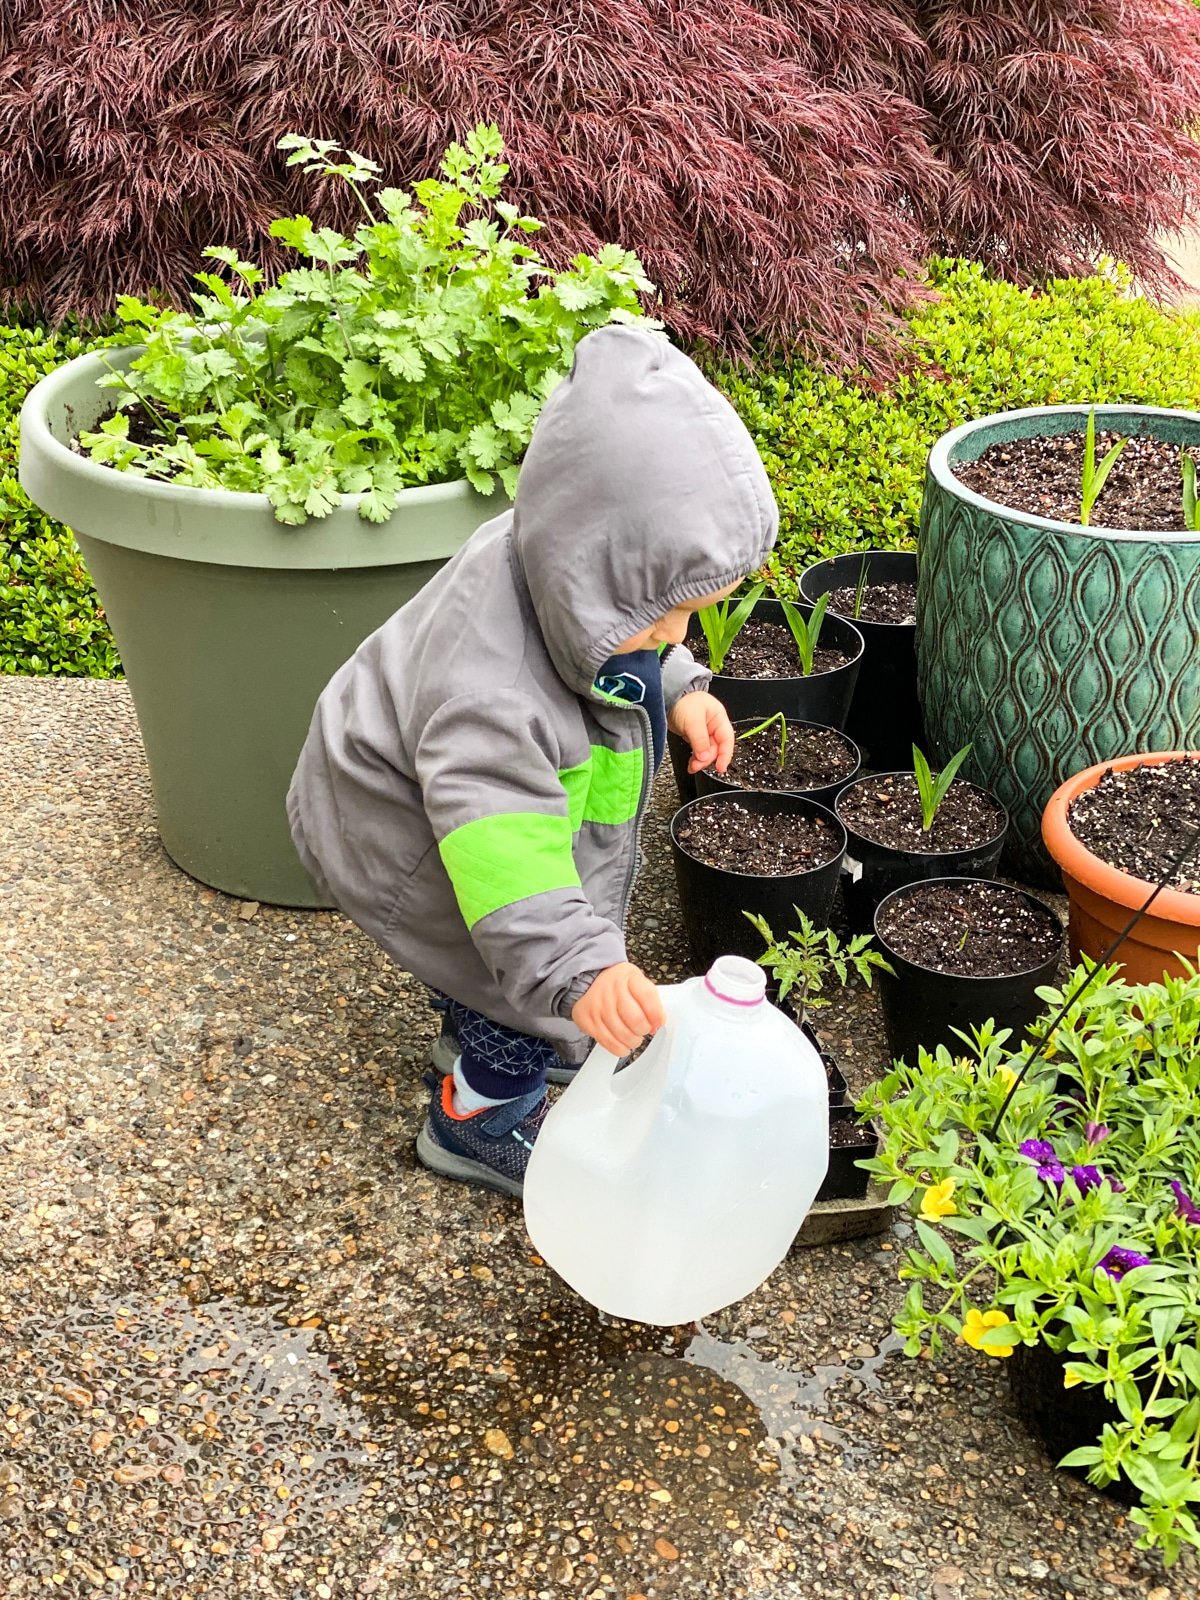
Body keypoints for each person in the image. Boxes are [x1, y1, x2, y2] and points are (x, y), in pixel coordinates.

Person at [287, 324, 778, 1196]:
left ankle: (478, 1032)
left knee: (523, 965)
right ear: (590, 571)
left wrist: (680, 685)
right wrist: (577, 974)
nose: (677, 634)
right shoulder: (494, 700)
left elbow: (617, 634)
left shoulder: (557, 567)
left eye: (690, 620)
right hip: (413, 837)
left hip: (424, 789)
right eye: (664, 622)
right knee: (513, 977)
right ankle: (480, 1115)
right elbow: (512, 877)